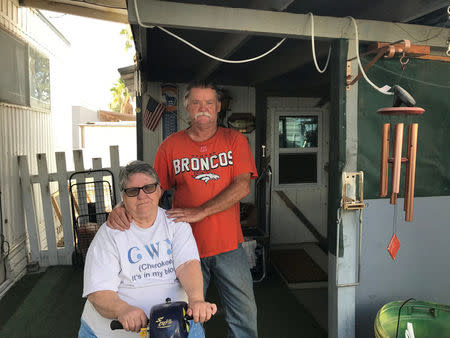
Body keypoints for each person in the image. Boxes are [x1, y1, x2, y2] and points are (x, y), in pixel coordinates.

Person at [107, 82, 258, 338]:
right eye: (196, 103)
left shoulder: (235, 140)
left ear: (218, 107)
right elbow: (151, 188)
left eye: (209, 103)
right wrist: (122, 206)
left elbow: (242, 186)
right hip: (183, 248)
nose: (203, 108)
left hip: (228, 245)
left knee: (244, 314)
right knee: (183, 315)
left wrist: (201, 211)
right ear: (187, 107)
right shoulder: (170, 146)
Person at [79, 160, 216, 337]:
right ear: (123, 197)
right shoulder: (109, 233)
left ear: (159, 190)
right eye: (133, 191)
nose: (142, 196)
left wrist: (196, 300)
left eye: (148, 188)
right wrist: (122, 309)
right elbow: (98, 291)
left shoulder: (176, 224)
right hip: (112, 332)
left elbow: (187, 265)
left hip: (178, 326)